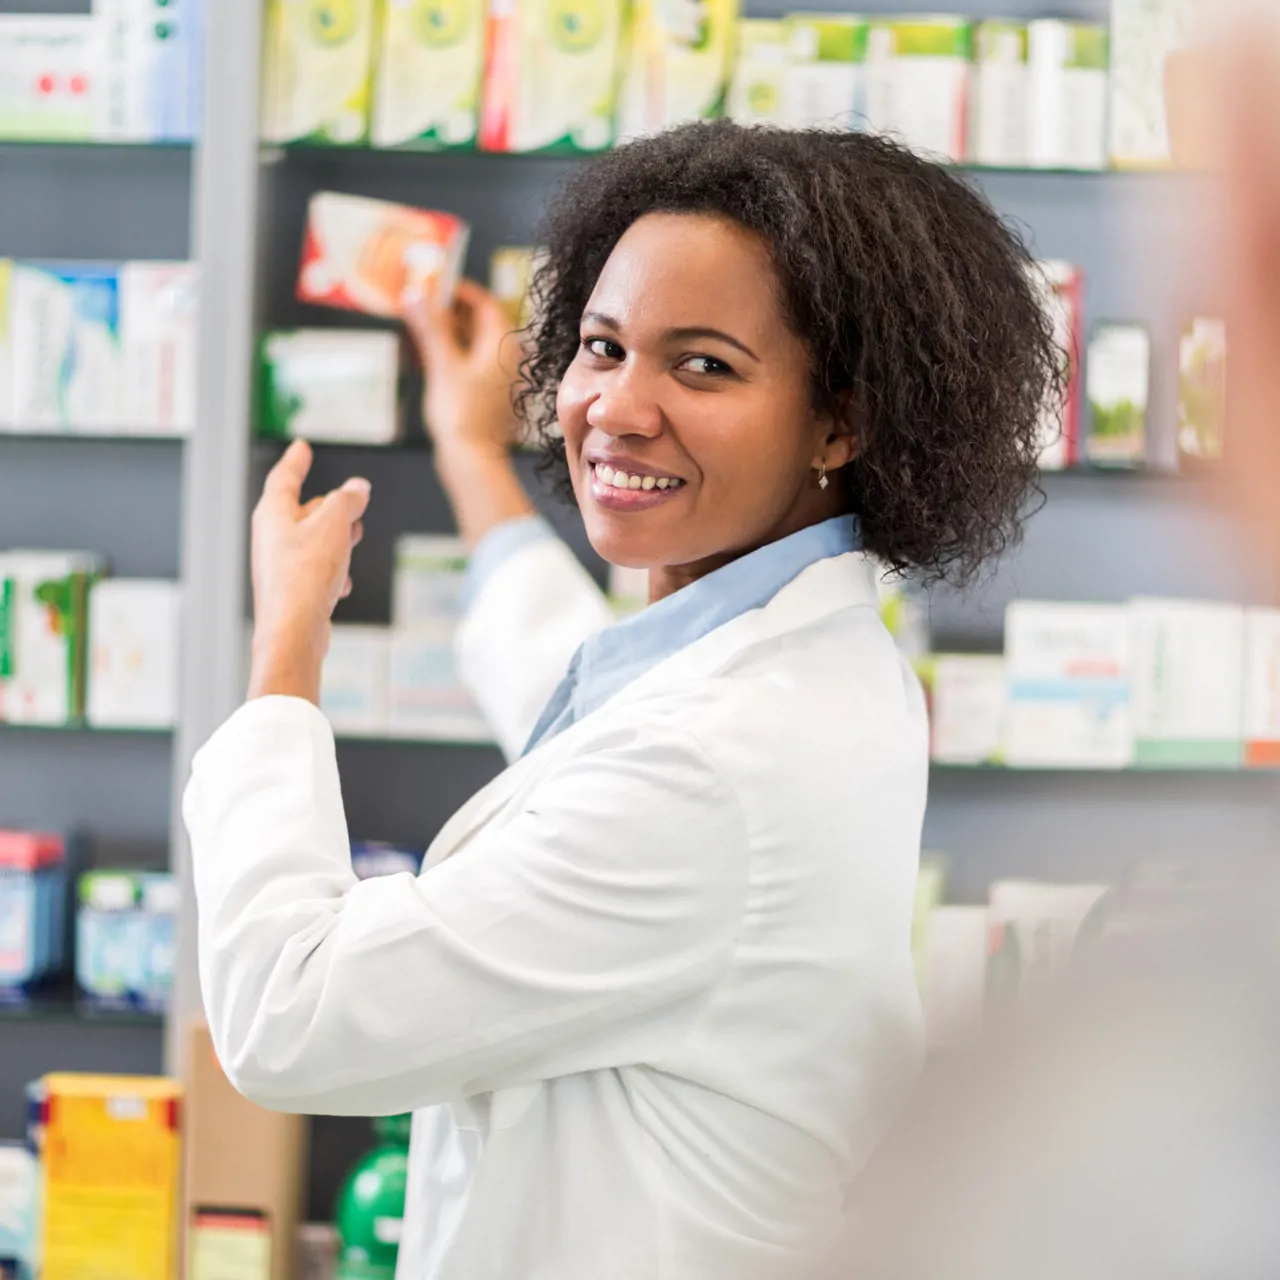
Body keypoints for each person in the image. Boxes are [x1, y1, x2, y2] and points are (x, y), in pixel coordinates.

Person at [184, 122, 1059, 1280]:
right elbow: (573, 681)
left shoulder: (719, 761)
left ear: (841, 421)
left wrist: (284, 651)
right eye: (601, 346)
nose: (617, 406)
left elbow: (288, 1017)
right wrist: (469, 451)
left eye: (703, 364)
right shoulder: (802, 653)